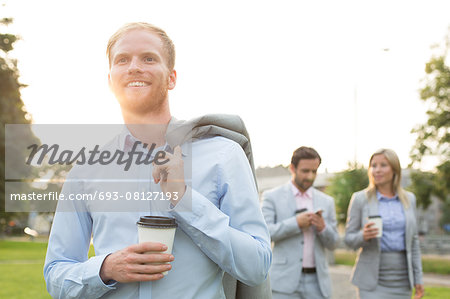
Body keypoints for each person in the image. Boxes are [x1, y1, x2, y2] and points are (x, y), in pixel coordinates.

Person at [44, 22, 272, 298]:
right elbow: (56, 275)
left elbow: (257, 266)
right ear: (110, 80)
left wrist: (184, 199)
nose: (134, 67)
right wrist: (105, 269)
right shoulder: (85, 171)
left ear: (171, 78)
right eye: (122, 60)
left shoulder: (224, 155)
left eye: (149, 58)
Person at [344, 148, 424, 299]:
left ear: (395, 169)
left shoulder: (409, 199)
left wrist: (418, 278)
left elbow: (413, 242)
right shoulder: (360, 198)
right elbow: (348, 239)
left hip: (403, 281)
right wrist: (363, 236)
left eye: (383, 165)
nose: (377, 170)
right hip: (372, 281)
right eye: (374, 166)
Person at [261, 146, 339, 299]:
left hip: (317, 284)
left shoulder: (327, 201)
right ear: (292, 168)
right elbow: (265, 233)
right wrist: (296, 223)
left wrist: (323, 228)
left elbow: (334, 243)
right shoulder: (271, 197)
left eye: (314, 171)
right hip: (283, 282)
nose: (310, 176)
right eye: (305, 171)